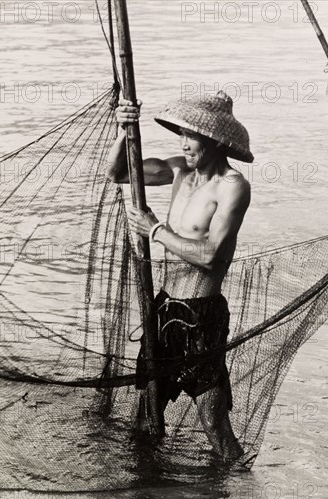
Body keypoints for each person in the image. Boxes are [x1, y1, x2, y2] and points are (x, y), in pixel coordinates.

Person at [106, 91, 254, 460]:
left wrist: (155, 230)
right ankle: (149, 495)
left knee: (215, 428)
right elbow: (118, 173)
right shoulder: (179, 171)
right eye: (182, 134)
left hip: (200, 318)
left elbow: (210, 255)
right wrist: (126, 130)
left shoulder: (232, 186)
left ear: (217, 141)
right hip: (164, 311)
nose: (184, 144)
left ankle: (239, 497)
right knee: (145, 417)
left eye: (193, 136)